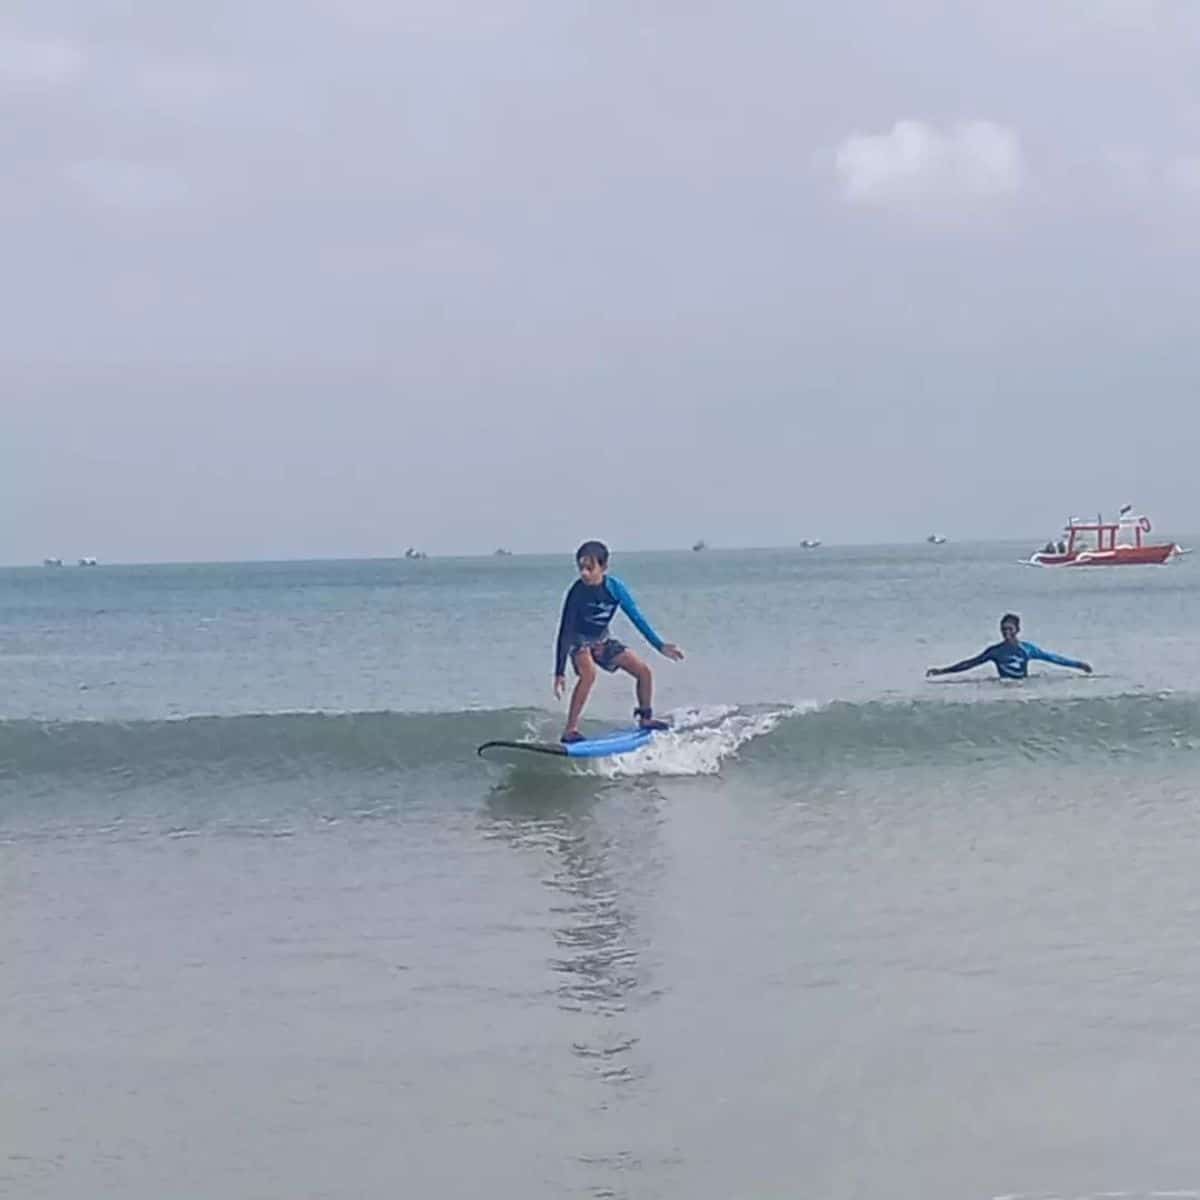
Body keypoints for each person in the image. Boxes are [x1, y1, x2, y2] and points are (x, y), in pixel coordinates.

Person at [553, 540, 684, 743]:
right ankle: (570, 729)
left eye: (590, 568)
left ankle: (645, 718)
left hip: (602, 640)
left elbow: (637, 618)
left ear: (603, 567)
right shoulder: (577, 592)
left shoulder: (614, 588)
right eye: (581, 568)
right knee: (589, 674)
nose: (584, 573)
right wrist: (559, 672)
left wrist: (659, 645)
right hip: (579, 641)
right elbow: (565, 631)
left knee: (644, 671)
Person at [926, 612, 1092, 680]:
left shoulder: (1027, 649)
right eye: (1003, 629)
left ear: (1017, 630)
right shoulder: (995, 652)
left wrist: (1078, 665)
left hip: (1022, 685)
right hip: (1003, 685)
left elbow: (1053, 658)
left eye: (1009, 629)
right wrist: (942, 671)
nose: (1006, 633)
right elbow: (970, 663)